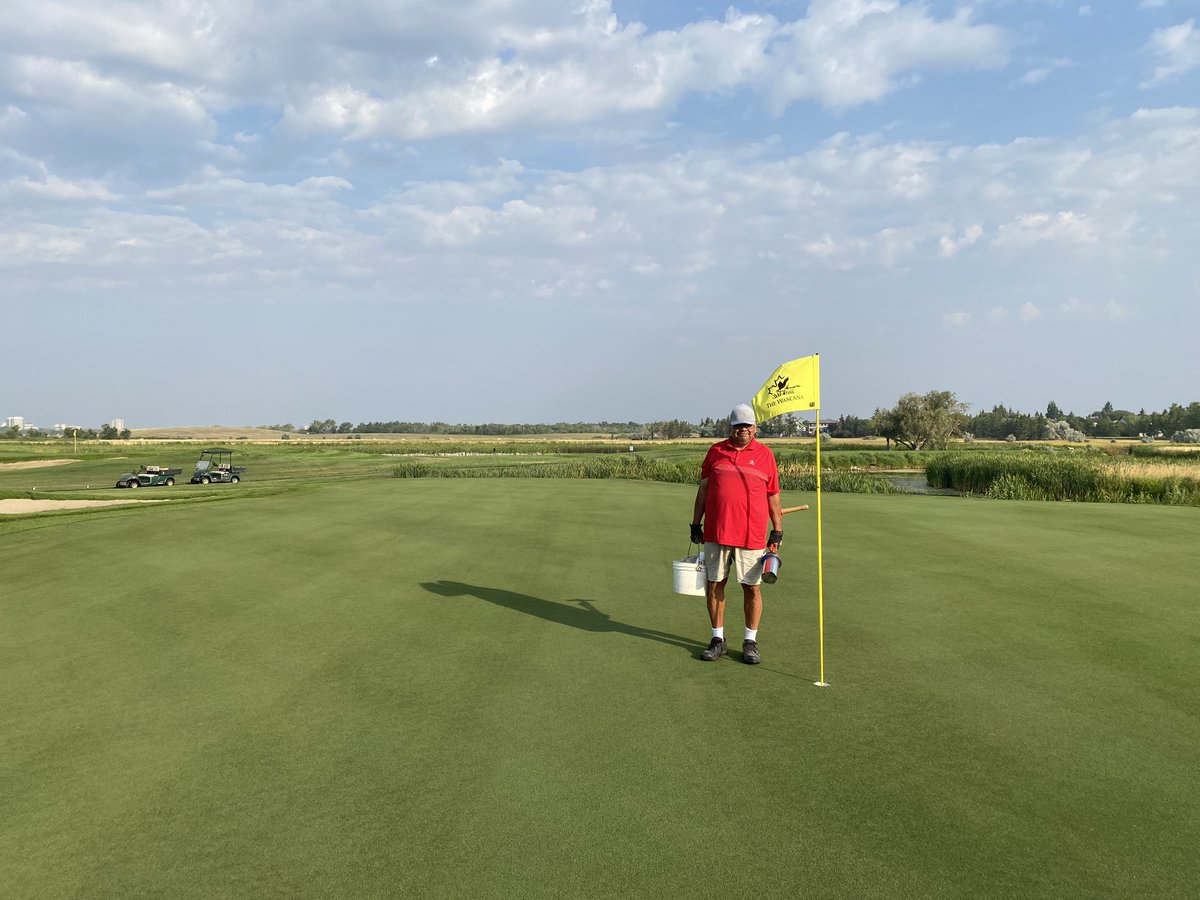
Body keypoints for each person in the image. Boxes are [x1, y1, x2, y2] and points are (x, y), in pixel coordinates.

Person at [690, 404, 783, 665]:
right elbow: (704, 491)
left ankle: (750, 642)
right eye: (737, 425)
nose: (742, 429)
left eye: (747, 425)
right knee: (715, 584)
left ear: (755, 428)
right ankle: (717, 639)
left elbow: (773, 496)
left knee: (751, 588)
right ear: (730, 428)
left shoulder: (765, 455)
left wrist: (777, 530)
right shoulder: (716, 451)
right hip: (717, 532)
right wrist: (696, 523)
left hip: (751, 535)